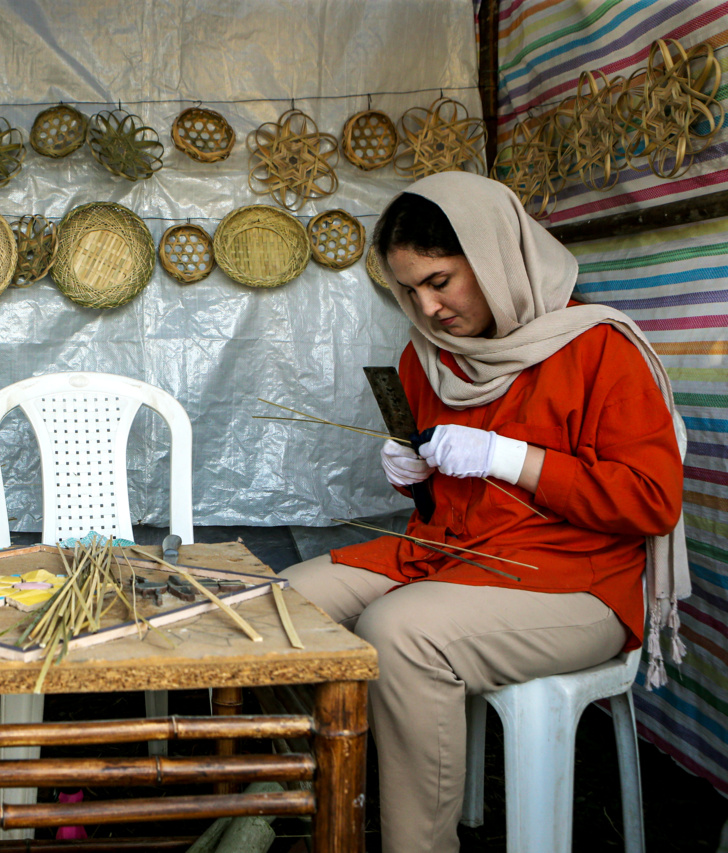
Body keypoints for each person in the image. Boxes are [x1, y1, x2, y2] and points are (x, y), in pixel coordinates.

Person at [280, 172, 688, 853]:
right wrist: (412, 474)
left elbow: (652, 500)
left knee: (400, 631)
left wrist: (511, 457)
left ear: (495, 255)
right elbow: (445, 501)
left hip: (574, 579)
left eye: (441, 280)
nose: (428, 306)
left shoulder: (599, 348)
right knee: (281, 606)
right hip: (453, 553)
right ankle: (302, 811)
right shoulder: (425, 360)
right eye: (409, 290)